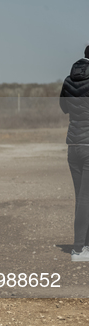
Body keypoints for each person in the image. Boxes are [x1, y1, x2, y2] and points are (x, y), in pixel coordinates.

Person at [60, 45, 89, 262]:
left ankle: (83, 246)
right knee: (84, 199)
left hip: (73, 145)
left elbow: (64, 108)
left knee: (82, 198)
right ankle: (79, 250)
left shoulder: (69, 80)